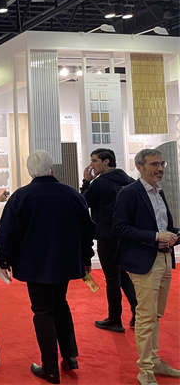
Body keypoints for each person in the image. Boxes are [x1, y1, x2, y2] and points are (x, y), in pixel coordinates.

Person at [0, 150, 95, 384]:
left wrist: (4, 259)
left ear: (31, 172)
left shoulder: (21, 197)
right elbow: (87, 230)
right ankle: (70, 356)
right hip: (65, 260)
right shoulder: (71, 194)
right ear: (52, 168)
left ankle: (50, 368)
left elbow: (8, 232)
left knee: (43, 311)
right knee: (60, 304)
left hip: (35, 264)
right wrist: (86, 257)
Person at [113, 148, 179, 385]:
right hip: (144, 262)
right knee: (146, 315)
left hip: (165, 258)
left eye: (162, 164)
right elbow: (119, 227)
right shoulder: (129, 193)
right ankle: (145, 369)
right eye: (154, 164)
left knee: (156, 314)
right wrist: (155, 236)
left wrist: (173, 235)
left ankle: (154, 360)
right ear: (139, 167)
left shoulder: (159, 192)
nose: (160, 169)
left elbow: (165, 227)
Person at [80, 148, 137, 332]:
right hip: (125, 235)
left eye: (94, 160)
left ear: (106, 162)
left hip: (107, 235)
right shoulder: (129, 181)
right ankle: (138, 312)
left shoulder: (100, 183)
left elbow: (83, 203)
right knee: (122, 275)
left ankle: (115, 319)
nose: (91, 165)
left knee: (112, 278)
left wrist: (86, 182)